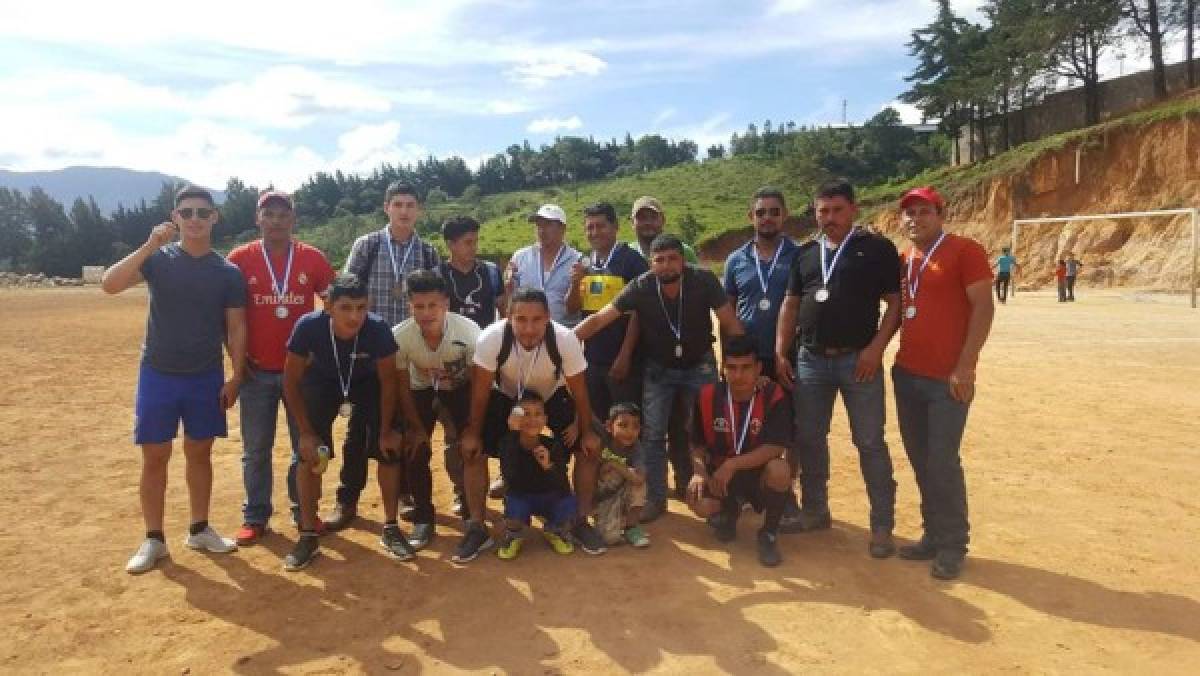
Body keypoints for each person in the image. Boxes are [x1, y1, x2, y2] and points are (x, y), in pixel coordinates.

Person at [101, 185, 247, 575]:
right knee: (155, 456)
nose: (195, 219)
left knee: (200, 453)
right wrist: (149, 245)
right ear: (175, 216)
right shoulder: (158, 260)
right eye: (187, 213)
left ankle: (199, 528)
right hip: (158, 373)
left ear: (215, 217)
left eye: (203, 212)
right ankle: (154, 539)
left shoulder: (227, 272)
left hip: (204, 375)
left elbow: (236, 328)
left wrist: (236, 375)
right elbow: (110, 284)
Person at [575, 234, 745, 523]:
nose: (666, 265)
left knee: (706, 430)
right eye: (659, 260)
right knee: (653, 435)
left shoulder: (703, 280)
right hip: (659, 370)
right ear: (651, 264)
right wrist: (559, 344)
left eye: (673, 258)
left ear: (683, 260)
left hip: (699, 365)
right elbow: (600, 319)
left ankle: (712, 494)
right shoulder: (641, 286)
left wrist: (744, 364)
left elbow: (730, 323)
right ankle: (655, 499)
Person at [775, 178, 901, 558]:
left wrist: (875, 349)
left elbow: (895, 304)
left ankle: (881, 524)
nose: (829, 218)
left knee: (869, 441)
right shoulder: (806, 253)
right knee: (810, 439)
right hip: (811, 360)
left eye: (837, 210)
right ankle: (816, 510)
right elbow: (791, 305)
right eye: (822, 211)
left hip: (858, 361)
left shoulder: (877, 249)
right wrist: (782, 351)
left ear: (853, 210)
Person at [457, 288, 606, 563]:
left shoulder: (565, 340)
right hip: (507, 398)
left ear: (548, 318)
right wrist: (473, 434)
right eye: (521, 319)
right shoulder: (491, 338)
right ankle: (477, 527)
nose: (528, 328)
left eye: (536, 320)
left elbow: (581, 392)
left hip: (551, 397)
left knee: (590, 450)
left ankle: (580, 521)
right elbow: (479, 393)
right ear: (508, 317)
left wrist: (587, 432)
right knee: (472, 451)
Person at [892, 186, 995, 580]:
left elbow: (983, 306)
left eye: (923, 212)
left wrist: (966, 366)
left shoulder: (964, 251)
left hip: (947, 379)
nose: (914, 219)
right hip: (908, 375)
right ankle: (933, 534)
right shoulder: (905, 258)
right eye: (908, 214)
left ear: (940, 214)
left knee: (943, 460)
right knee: (921, 459)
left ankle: (953, 543)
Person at [227, 190, 336, 545]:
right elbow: (227, 318)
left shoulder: (312, 258)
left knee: (303, 446)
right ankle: (255, 516)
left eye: (282, 214)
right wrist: (237, 363)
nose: (276, 220)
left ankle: (303, 510)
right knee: (255, 449)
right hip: (255, 372)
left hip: (301, 373)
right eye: (268, 214)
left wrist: (322, 352)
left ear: (293, 218)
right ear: (257, 218)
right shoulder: (239, 260)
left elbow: (335, 303)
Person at [334, 182, 441, 531]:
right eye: (398, 204)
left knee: (406, 424)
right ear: (386, 208)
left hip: (409, 353)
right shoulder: (368, 245)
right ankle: (346, 499)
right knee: (359, 429)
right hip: (368, 351)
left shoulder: (427, 252)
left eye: (411, 204)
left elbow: (434, 302)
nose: (405, 211)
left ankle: (406, 492)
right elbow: (348, 290)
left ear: (419, 210)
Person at [281, 275, 405, 571]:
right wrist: (306, 433)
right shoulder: (308, 327)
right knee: (308, 456)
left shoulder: (377, 330)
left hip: (366, 385)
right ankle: (308, 536)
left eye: (361, 308)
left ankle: (390, 528)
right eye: (346, 308)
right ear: (328, 306)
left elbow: (389, 382)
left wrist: (386, 430)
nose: (354, 316)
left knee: (388, 449)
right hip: (322, 384)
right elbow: (290, 381)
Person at [391, 270, 480, 550]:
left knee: (467, 447)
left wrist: (472, 427)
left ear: (446, 304)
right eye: (419, 306)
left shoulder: (469, 332)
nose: (426, 313)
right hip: (420, 390)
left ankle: (469, 510)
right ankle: (424, 517)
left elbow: (478, 384)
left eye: (433, 305)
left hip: (460, 389)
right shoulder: (400, 336)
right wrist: (416, 428)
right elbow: (402, 387)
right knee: (415, 449)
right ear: (410, 306)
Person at [687, 336, 793, 568]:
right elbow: (696, 444)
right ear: (723, 368)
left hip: (757, 475)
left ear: (759, 368)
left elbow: (776, 446)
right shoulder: (707, 396)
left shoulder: (773, 395)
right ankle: (729, 513)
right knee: (697, 501)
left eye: (746, 368)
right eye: (732, 368)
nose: (738, 375)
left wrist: (732, 464)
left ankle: (769, 534)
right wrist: (699, 471)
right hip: (721, 478)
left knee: (781, 470)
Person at [630, 196, 698, 500]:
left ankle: (687, 481)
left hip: (686, 355)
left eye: (652, 218)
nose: (647, 224)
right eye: (641, 218)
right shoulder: (627, 255)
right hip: (645, 355)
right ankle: (652, 491)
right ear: (632, 223)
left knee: (686, 424)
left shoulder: (686, 253)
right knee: (651, 427)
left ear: (663, 220)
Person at [565, 202, 648, 421]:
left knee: (628, 427)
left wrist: (625, 356)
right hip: (592, 360)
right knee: (596, 425)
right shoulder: (583, 263)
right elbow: (572, 308)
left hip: (624, 363)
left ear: (615, 227)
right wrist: (575, 284)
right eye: (589, 227)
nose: (594, 232)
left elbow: (640, 314)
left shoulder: (633, 262)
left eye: (600, 226)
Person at [723, 187, 801, 379]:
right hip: (748, 357)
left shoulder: (800, 255)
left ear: (785, 215)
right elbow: (727, 313)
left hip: (790, 355)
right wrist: (725, 356)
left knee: (788, 408)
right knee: (750, 409)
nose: (767, 218)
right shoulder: (735, 260)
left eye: (774, 212)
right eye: (760, 213)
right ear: (751, 216)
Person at [494, 392, 579, 559]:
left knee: (569, 502)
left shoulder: (553, 446)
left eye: (538, 414)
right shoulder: (507, 443)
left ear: (545, 419)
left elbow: (563, 484)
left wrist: (548, 466)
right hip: (522, 495)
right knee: (513, 503)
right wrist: (513, 436)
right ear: (515, 418)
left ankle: (554, 530)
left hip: (547, 497)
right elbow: (509, 478)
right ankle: (514, 534)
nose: (532, 420)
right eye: (525, 414)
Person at [506, 204, 582, 325]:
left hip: (563, 334)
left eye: (548, 224)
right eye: (538, 225)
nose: (542, 230)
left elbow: (574, 309)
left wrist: (576, 283)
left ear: (563, 228)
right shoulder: (520, 257)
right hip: (528, 333)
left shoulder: (578, 261)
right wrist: (509, 288)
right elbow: (511, 303)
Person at [593, 402, 650, 547]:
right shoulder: (602, 437)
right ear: (608, 426)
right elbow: (586, 414)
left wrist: (614, 464)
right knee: (609, 539)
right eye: (623, 425)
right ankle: (602, 517)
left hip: (621, 491)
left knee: (637, 479)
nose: (629, 432)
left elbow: (639, 479)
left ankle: (631, 527)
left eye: (635, 427)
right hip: (599, 494)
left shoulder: (637, 449)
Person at [437, 215, 506, 329]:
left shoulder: (491, 272)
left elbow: (504, 315)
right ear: (450, 245)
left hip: (485, 343)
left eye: (476, 242)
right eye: (468, 242)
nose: (474, 247)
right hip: (450, 344)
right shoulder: (437, 276)